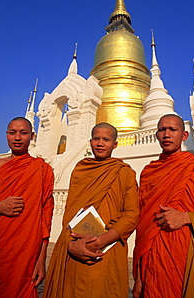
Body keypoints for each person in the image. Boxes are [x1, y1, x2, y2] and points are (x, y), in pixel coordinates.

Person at [43, 122, 139, 298]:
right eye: (96, 139)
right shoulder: (80, 170)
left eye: (106, 140)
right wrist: (71, 245)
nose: (100, 143)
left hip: (107, 249)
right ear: (90, 142)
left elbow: (132, 215)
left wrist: (99, 242)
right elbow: (70, 213)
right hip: (75, 246)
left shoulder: (124, 173)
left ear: (115, 144)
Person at [133, 114, 194, 298]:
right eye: (162, 130)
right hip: (153, 261)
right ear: (156, 135)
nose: (166, 134)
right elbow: (143, 225)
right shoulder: (149, 172)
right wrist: (139, 275)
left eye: (172, 129)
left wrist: (188, 217)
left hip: (191, 255)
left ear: (184, 136)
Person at [0, 117, 54, 298]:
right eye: (13, 132)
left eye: (23, 133)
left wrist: (41, 259)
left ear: (32, 136)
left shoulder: (42, 169)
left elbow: (45, 216)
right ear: (6, 136)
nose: (17, 137)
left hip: (27, 248)